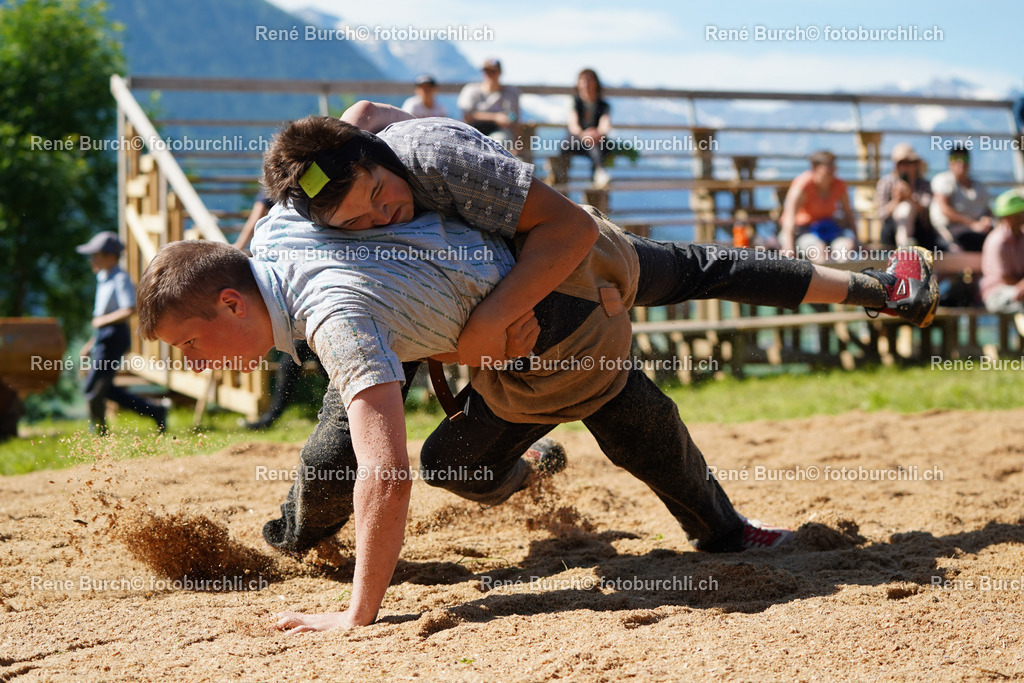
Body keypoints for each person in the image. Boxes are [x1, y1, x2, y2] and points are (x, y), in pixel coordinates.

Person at [136, 107, 938, 634]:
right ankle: (878, 292)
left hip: (559, 296)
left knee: (635, 385)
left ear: (236, 303)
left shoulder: (424, 172)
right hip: (519, 298)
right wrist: (460, 340)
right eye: (357, 220)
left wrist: (356, 615)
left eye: (383, 197)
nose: (383, 216)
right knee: (689, 274)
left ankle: (730, 523)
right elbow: (322, 150)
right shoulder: (283, 223)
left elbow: (387, 472)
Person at [233, 188, 325, 430]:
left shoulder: (276, 189)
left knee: (314, 363)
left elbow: (254, 220)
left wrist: (238, 248)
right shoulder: (305, 185)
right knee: (299, 362)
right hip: (312, 286)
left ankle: (338, 417)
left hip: (306, 292)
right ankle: (273, 418)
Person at [76, 231, 167, 435]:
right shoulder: (103, 277)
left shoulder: (120, 278)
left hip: (115, 337)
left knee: (92, 388)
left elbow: (130, 308)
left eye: (95, 255)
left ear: (110, 257)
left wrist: (102, 321)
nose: (91, 260)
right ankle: (155, 411)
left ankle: (99, 434)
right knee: (104, 389)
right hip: (103, 336)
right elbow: (101, 317)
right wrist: (90, 344)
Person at [779, 150, 858, 263]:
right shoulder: (803, 185)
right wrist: (788, 247)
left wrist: (858, 239)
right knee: (818, 250)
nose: (832, 170)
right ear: (815, 167)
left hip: (830, 229)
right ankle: (824, 279)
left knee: (845, 249)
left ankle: (845, 279)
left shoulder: (839, 184)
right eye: (828, 167)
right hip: (803, 231)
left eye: (833, 166)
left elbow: (848, 213)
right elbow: (789, 216)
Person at [929, 143, 993, 252]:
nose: (961, 162)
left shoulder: (979, 186)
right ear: (950, 162)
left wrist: (986, 220)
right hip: (950, 231)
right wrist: (972, 224)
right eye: (956, 158)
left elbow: (988, 211)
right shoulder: (943, 180)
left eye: (965, 158)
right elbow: (945, 209)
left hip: (977, 231)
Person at [557, 68, 612, 187]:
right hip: (575, 141)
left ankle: (596, 179)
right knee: (593, 145)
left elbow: (605, 125)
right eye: (583, 80)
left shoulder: (603, 105)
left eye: (589, 80)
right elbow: (573, 125)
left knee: (597, 145)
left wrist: (596, 134)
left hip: (595, 141)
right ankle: (598, 173)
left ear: (596, 83)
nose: (586, 84)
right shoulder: (574, 101)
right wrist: (585, 135)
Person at [876, 143, 937, 249]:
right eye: (901, 163)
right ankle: (905, 248)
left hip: (920, 232)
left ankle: (904, 248)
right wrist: (896, 201)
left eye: (908, 163)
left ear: (916, 164)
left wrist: (910, 198)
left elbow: (927, 214)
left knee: (907, 207)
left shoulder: (924, 185)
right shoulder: (886, 182)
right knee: (905, 208)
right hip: (891, 231)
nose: (904, 167)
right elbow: (881, 214)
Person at [457, 58, 520, 147]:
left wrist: (516, 144)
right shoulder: (471, 90)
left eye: (493, 72)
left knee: (499, 143)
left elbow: (514, 119)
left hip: (499, 132)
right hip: (473, 130)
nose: (490, 75)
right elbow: (467, 115)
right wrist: (495, 117)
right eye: (487, 72)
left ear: (500, 73)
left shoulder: (510, 93)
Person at [980, 189, 1024, 313]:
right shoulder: (998, 241)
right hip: (996, 293)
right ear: (1008, 217)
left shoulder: (1021, 237)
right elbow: (1005, 278)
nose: (1022, 216)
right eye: (1018, 214)